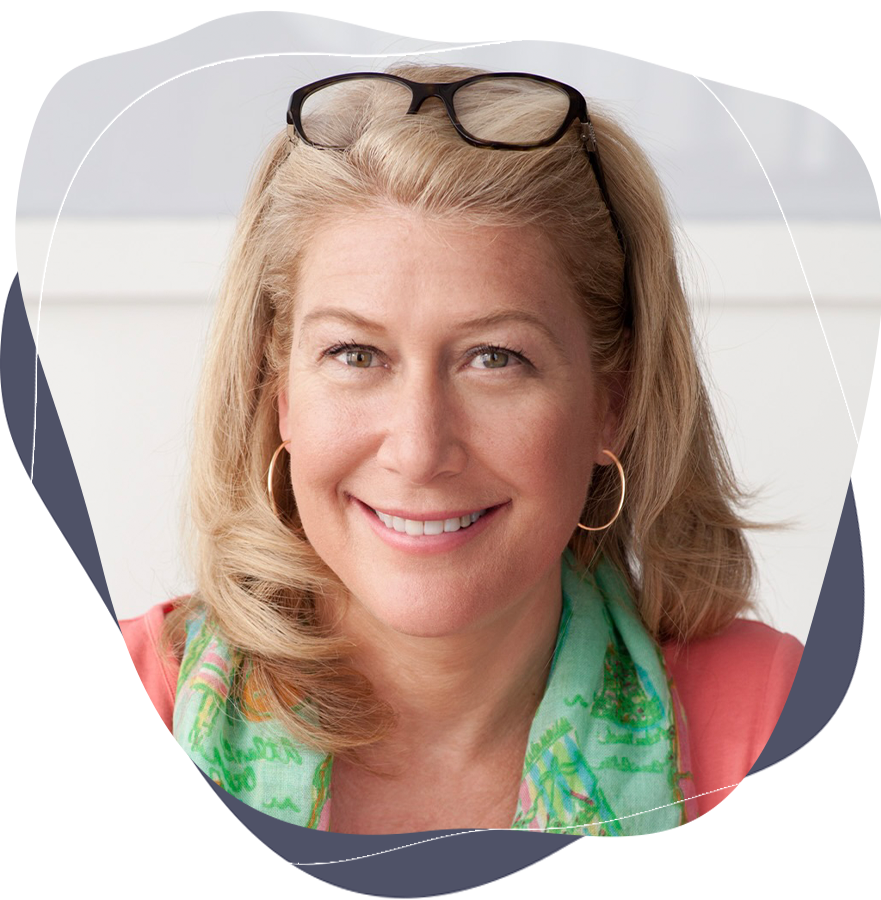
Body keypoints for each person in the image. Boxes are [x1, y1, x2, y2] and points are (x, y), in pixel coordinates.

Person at [121, 63, 803, 862]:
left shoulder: (778, 718)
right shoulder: (93, 710)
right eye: (355, 354)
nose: (419, 451)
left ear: (611, 402)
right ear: (278, 394)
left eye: (495, 358)